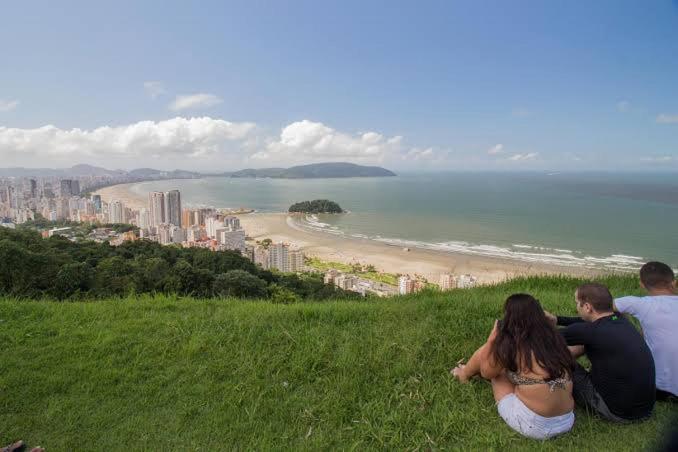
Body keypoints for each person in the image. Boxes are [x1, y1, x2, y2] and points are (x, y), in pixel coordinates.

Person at [451, 293, 575, 440]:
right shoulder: (553, 338)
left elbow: (487, 373)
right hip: (567, 420)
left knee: (497, 371)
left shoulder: (510, 345)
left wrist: (491, 341)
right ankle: (467, 372)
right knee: (514, 370)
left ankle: (464, 374)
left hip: (534, 425)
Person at [545, 283, 656, 422]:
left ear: (587, 307)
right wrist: (558, 320)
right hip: (645, 409)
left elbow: (541, 339)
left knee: (555, 358)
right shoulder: (619, 319)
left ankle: (539, 388)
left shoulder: (591, 331)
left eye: (577, 303)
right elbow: (585, 322)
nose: (577, 306)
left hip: (618, 412)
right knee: (585, 344)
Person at [614, 261, 678, 402]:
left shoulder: (640, 303)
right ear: (674, 282)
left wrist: (628, 328)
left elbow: (602, 306)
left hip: (658, 388)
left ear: (642, 284)